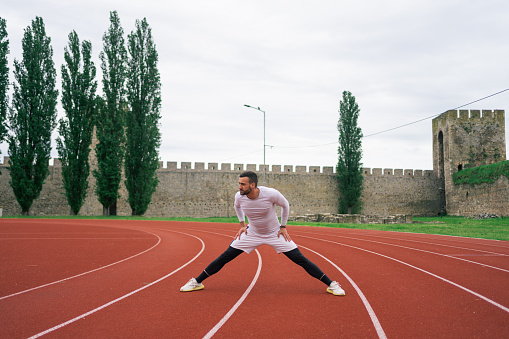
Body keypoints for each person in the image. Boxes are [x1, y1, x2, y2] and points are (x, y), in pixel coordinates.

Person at [180, 171, 345, 296]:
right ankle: (197, 282)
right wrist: (242, 224)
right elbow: (237, 206)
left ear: (252, 185)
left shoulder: (270, 194)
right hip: (252, 233)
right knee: (225, 256)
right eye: (239, 183)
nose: (239, 187)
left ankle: (331, 284)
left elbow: (285, 205)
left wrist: (284, 226)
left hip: (275, 233)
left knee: (300, 259)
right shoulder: (239, 196)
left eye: (243, 184)